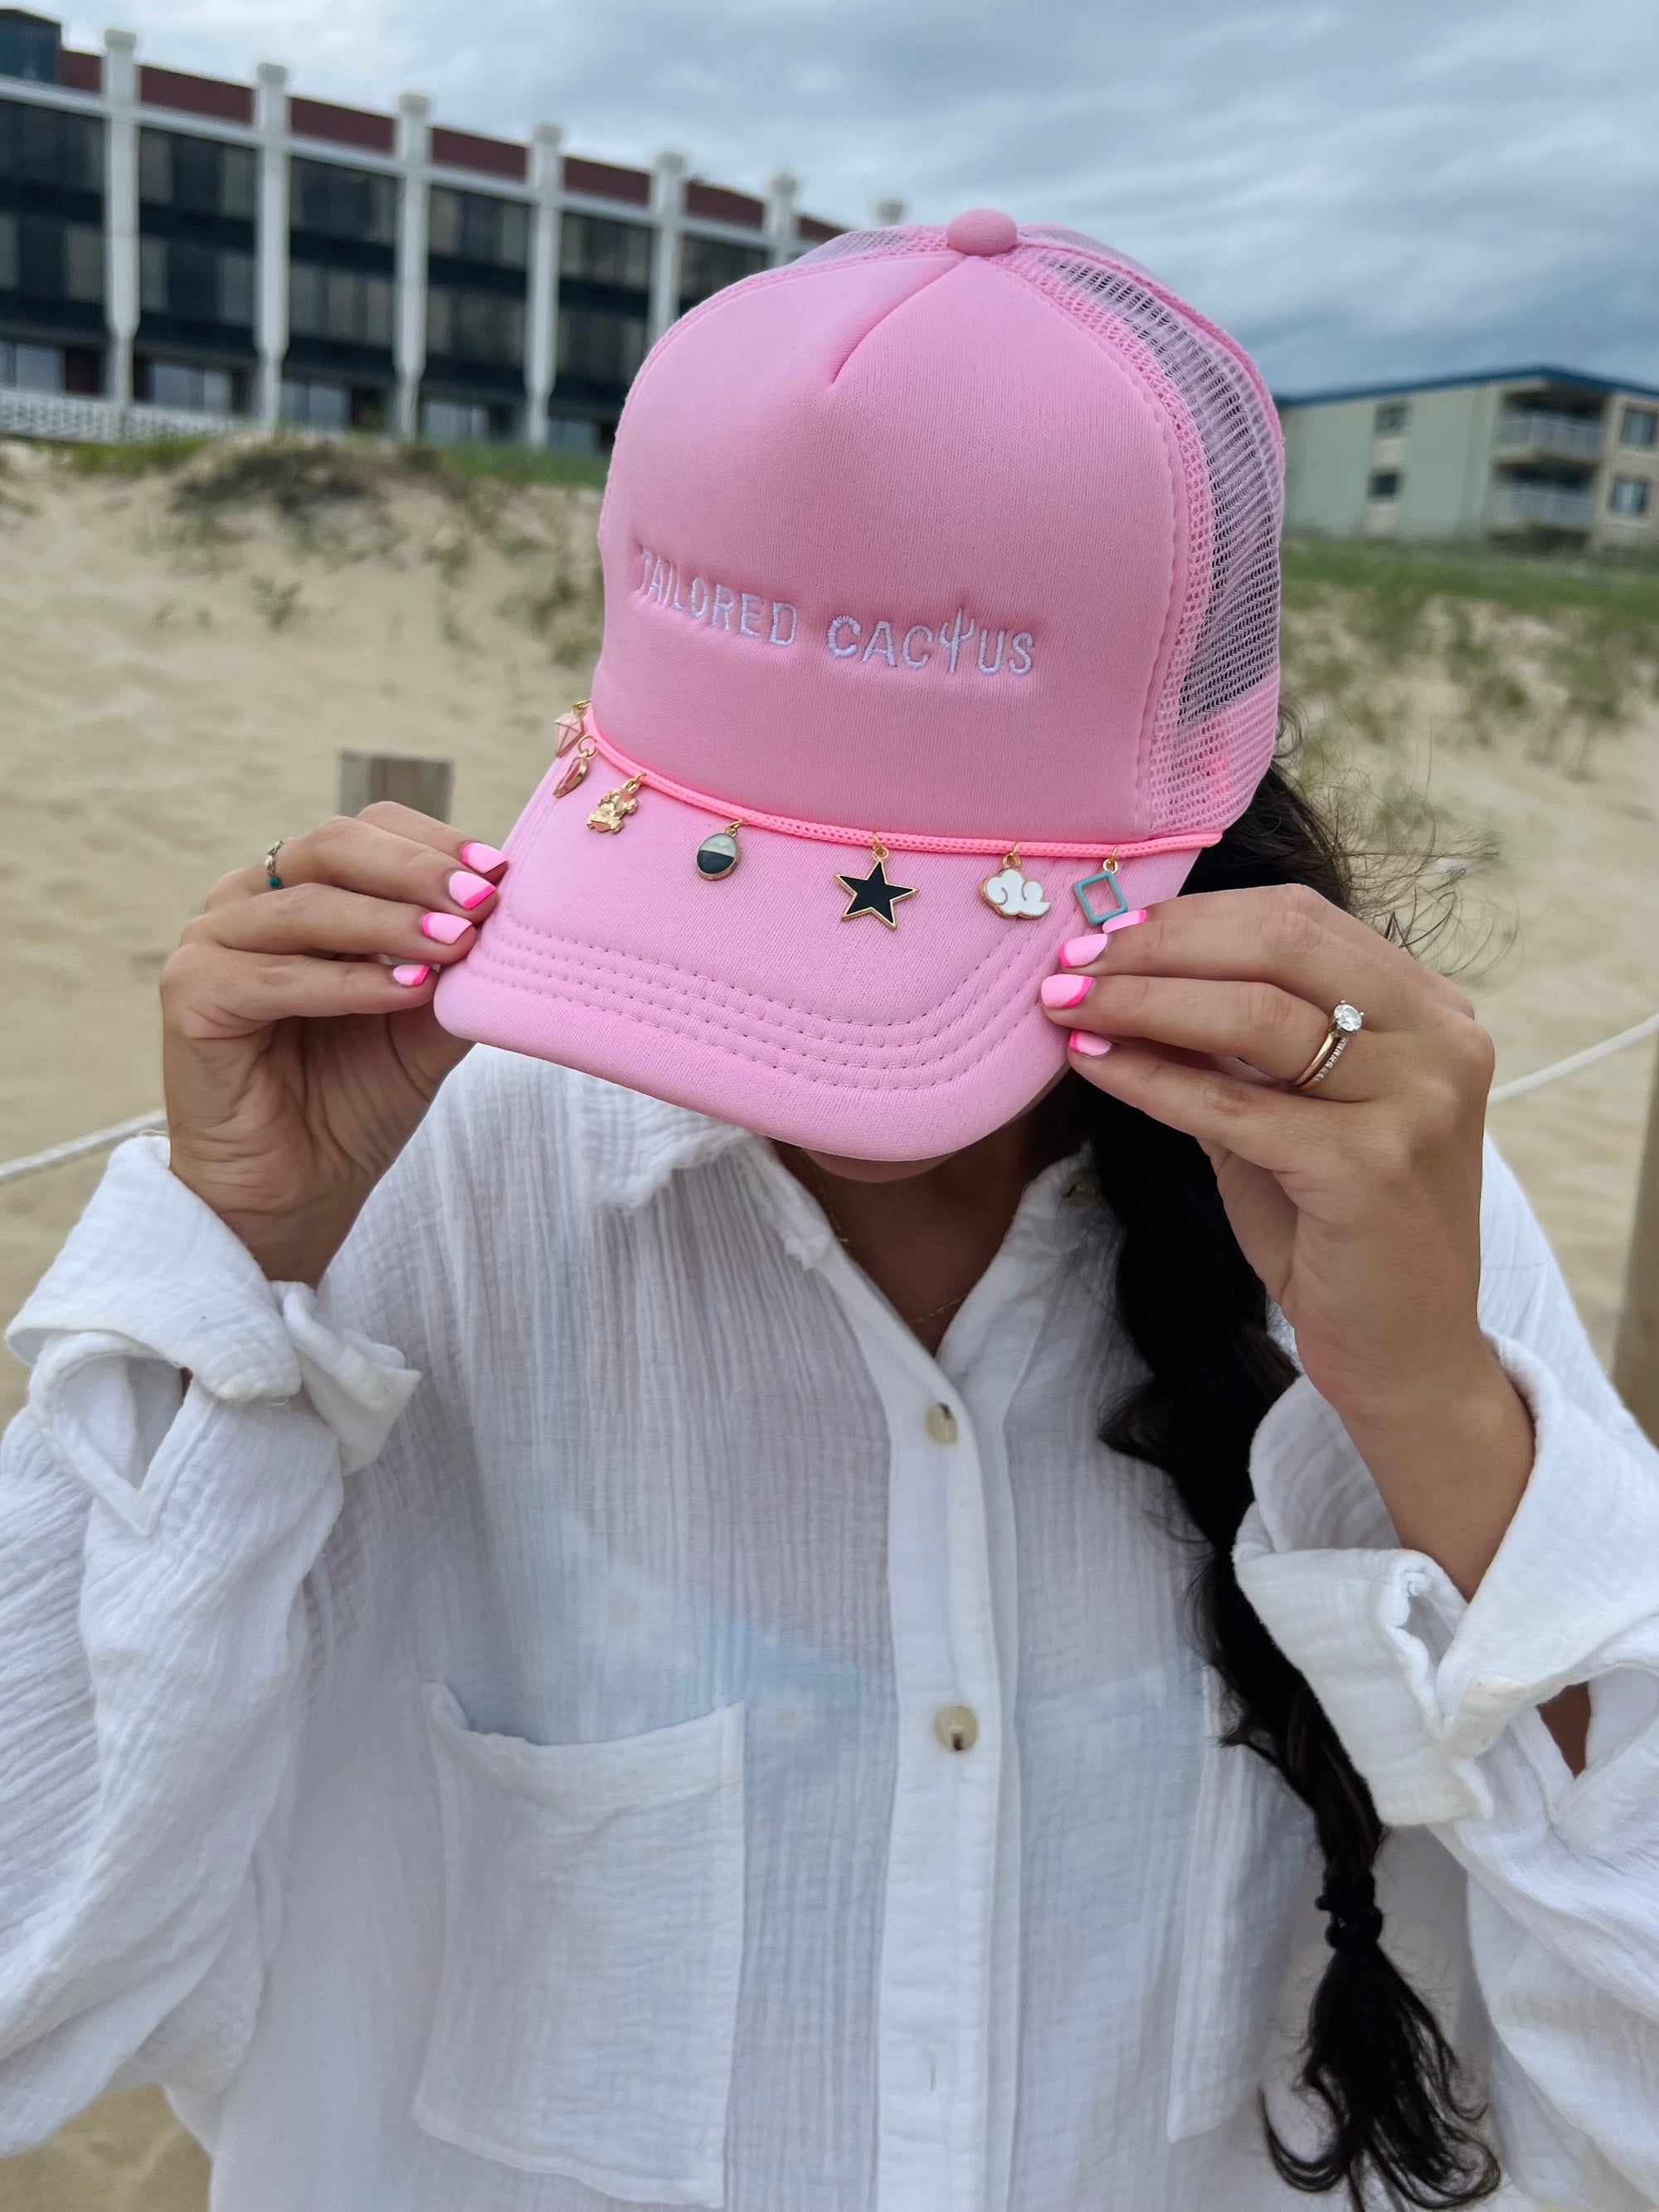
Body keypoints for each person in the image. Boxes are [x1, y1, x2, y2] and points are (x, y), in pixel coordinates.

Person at [2, 213, 1657, 2212]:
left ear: (1202, 796)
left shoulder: (1374, 1215)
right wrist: (228, 1261)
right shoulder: (406, 1184)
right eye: (747, 873)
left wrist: (1438, 1424)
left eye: (923, 895)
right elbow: (33, 1992)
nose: (804, 1053)